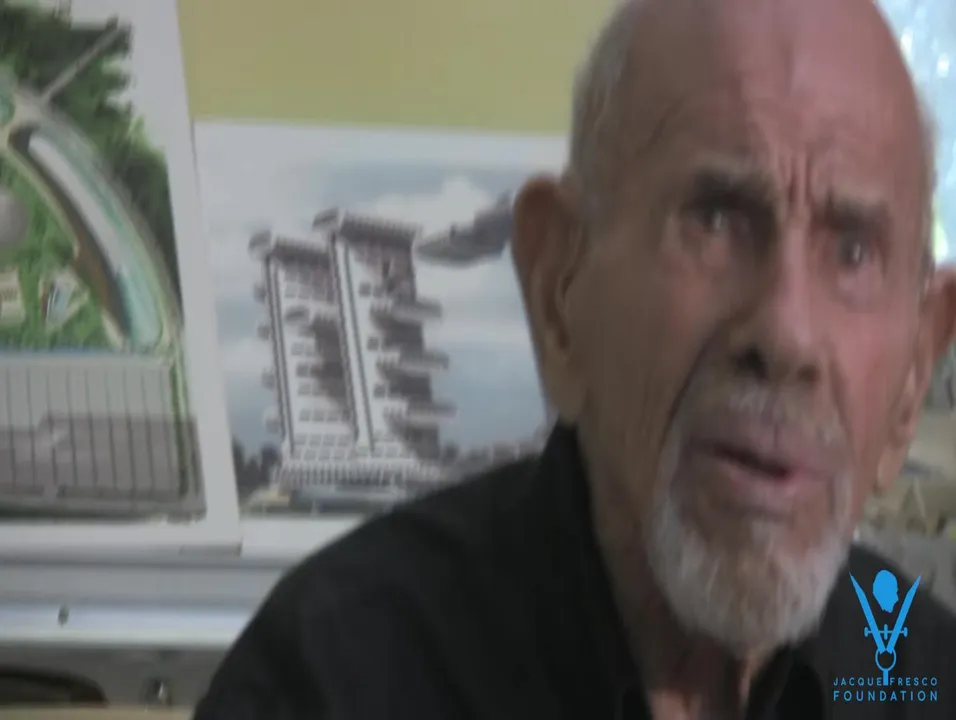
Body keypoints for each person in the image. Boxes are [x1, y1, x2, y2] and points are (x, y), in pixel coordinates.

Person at [194, 0, 956, 717]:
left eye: (853, 253)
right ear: (558, 290)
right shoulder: (331, 682)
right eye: (717, 220)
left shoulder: (924, 676)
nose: (786, 336)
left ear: (915, 374)